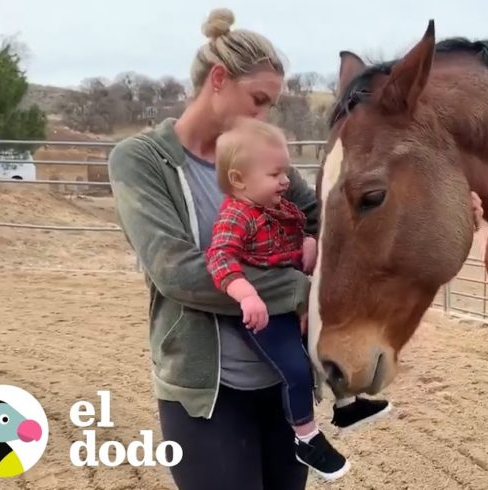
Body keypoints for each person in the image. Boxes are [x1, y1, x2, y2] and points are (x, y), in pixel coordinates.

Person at [107, 8, 391, 490]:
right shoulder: (142, 160)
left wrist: (315, 237)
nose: (261, 117)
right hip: (206, 392)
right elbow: (176, 271)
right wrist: (299, 289)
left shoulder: (257, 158)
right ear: (218, 79)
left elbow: (326, 216)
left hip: (284, 383)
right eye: (257, 101)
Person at [204, 117, 382, 481]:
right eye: (275, 174)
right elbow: (220, 258)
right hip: (265, 313)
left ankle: (346, 404)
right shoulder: (237, 215)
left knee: (327, 343)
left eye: (285, 172)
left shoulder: (277, 206)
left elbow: (303, 223)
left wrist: (309, 241)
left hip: (290, 302)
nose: (286, 181)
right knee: (296, 371)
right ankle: (306, 438)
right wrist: (246, 294)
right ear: (239, 179)